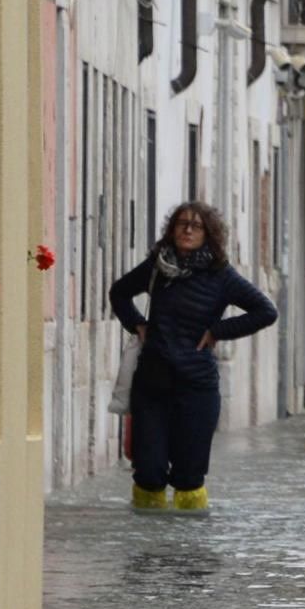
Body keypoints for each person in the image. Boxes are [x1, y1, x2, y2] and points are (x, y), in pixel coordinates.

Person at [110, 202, 279, 513]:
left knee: (189, 477)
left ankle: (189, 554)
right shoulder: (156, 268)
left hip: (197, 387)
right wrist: (137, 324)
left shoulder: (222, 276)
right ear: (172, 230)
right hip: (152, 384)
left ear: (208, 234)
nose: (187, 230)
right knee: (149, 472)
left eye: (196, 226)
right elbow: (118, 292)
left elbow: (266, 312)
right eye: (181, 224)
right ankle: (147, 548)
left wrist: (217, 331)